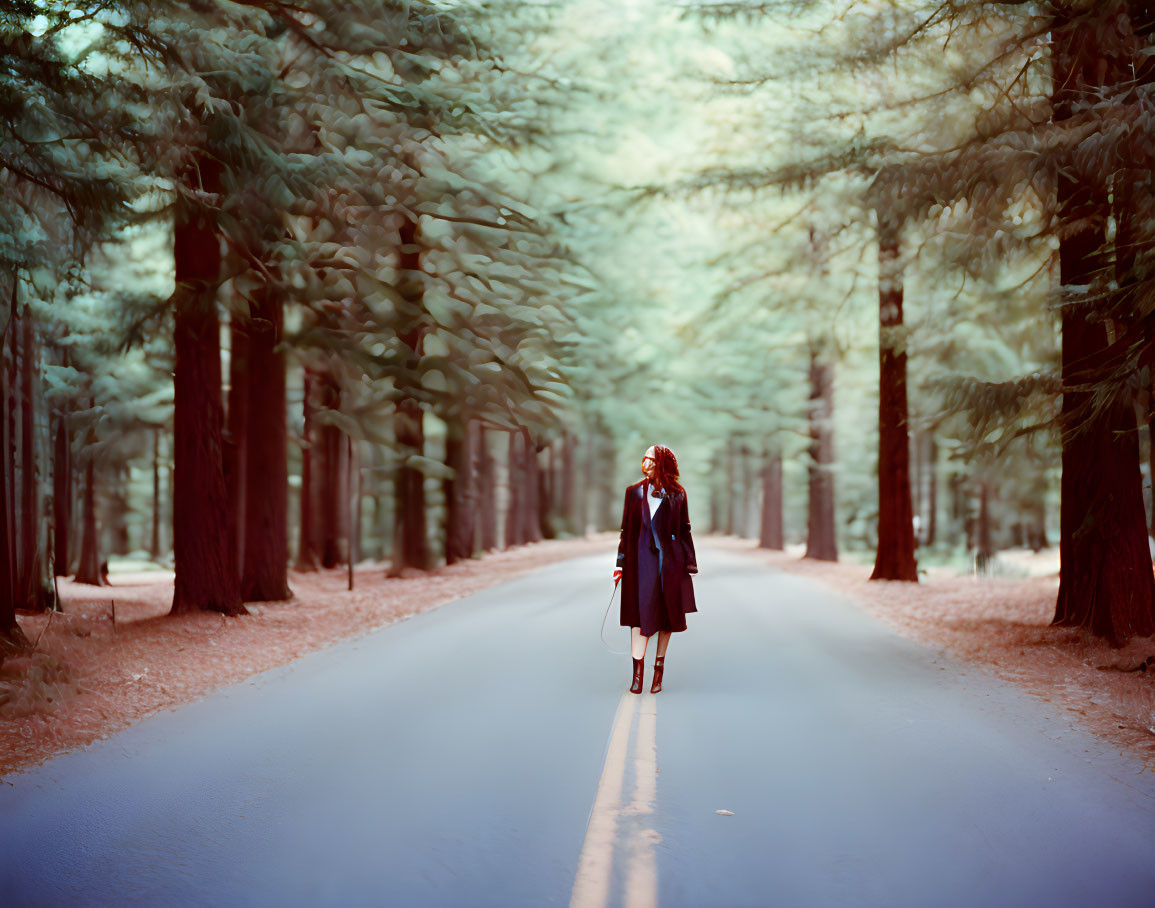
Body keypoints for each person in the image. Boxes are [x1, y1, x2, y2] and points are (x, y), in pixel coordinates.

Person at [613, 444, 697, 694]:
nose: (645, 464)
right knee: (638, 616)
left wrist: (689, 563)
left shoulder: (678, 494)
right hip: (639, 565)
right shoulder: (633, 493)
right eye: (643, 459)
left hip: (670, 565)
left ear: (661, 463)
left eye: (650, 459)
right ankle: (637, 675)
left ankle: (658, 671)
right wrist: (619, 565)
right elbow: (625, 532)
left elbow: (684, 530)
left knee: (666, 618)